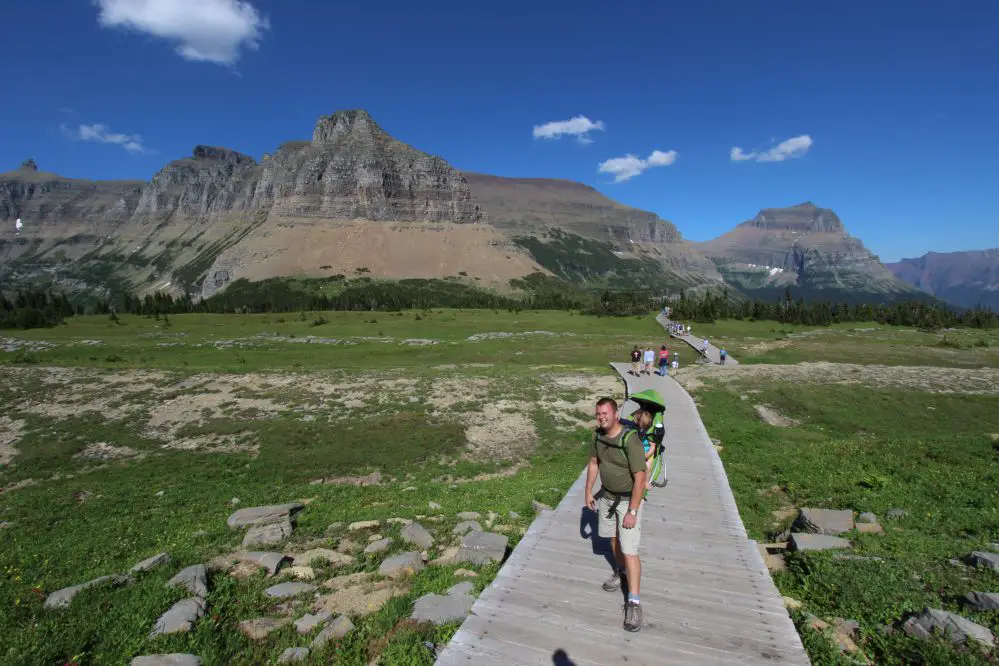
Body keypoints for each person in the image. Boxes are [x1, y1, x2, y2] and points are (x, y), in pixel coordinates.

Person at [586, 398, 647, 632]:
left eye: (605, 413)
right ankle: (620, 573)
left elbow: (640, 478)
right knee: (613, 540)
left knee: (630, 550)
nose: (601, 417)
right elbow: (594, 463)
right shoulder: (597, 436)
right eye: (598, 414)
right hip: (608, 496)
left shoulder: (630, 440)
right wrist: (588, 491)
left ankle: (634, 602)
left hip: (628, 500)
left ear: (615, 413)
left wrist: (632, 511)